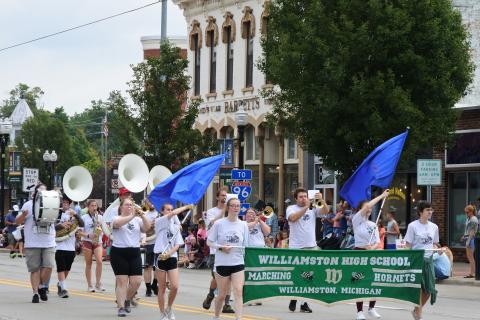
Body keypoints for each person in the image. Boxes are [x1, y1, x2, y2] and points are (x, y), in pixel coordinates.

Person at [286, 188, 328, 313]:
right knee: (297, 274)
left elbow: (326, 211)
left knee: (310, 276)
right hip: (296, 247)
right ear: (296, 198)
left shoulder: (312, 208)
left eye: (305, 196)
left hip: (311, 245)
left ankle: (304, 302)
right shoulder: (291, 208)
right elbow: (293, 218)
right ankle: (294, 297)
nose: (304, 198)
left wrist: (321, 199)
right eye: (301, 197)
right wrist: (306, 207)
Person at [207, 198, 249, 320]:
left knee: (238, 291)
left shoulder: (243, 224)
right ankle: (216, 316)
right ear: (228, 207)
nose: (236, 208)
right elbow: (209, 242)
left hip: (238, 262)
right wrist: (221, 248)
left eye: (238, 206)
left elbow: (246, 245)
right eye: (233, 205)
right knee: (222, 295)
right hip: (222, 263)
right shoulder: (219, 223)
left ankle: (238, 318)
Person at [352, 189, 389, 320]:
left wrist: (371, 247)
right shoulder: (356, 220)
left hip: (371, 253)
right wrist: (382, 196)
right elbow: (368, 205)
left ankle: (372, 308)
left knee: (374, 281)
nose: (369, 208)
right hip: (359, 252)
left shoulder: (373, 224)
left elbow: (377, 242)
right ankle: (359, 311)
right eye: (366, 207)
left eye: (369, 207)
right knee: (359, 281)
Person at [110, 197, 151, 317]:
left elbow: (147, 228)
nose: (129, 207)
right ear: (121, 207)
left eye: (131, 205)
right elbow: (118, 224)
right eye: (127, 205)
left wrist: (142, 215)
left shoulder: (137, 220)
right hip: (119, 252)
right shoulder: (116, 218)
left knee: (137, 281)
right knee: (122, 281)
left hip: (134, 252)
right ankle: (121, 307)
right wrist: (133, 215)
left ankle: (127, 299)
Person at [15, 183, 55, 303]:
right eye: (40, 191)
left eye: (44, 190)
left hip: (48, 241)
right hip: (32, 242)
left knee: (49, 266)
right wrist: (23, 215)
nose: (43, 192)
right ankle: (35, 293)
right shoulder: (28, 204)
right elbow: (18, 221)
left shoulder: (52, 203)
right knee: (34, 269)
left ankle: (41, 285)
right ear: (35, 193)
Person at [154, 203, 192, 320]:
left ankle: (169, 308)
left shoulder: (176, 226)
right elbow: (174, 214)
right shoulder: (159, 221)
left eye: (171, 209)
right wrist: (186, 207)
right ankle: (162, 313)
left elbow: (177, 244)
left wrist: (169, 254)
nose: (170, 211)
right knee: (162, 288)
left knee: (175, 286)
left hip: (171, 257)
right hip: (160, 255)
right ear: (162, 211)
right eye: (167, 210)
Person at [405, 201, 441, 320]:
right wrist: (407, 260)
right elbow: (408, 245)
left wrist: (439, 250)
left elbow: (435, 244)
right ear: (420, 212)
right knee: (419, 289)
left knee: (429, 289)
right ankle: (419, 314)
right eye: (427, 210)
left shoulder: (434, 227)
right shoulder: (412, 226)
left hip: (429, 260)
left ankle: (416, 309)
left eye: (431, 210)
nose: (430, 212)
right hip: (416, 260)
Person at [202, 187, 234, 314]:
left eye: (226, 196)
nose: (224, 197)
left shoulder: (231, 212)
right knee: (217, 278)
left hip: (229, 250)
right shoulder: (211, 212)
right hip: (216, 251)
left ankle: (226, 304)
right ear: (217, 197)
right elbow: (210, 226)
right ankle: (210, 295)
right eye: (222, 195)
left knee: (230, 278)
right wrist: (224, 210)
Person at [54, 195, 84, 298]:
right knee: (61, 268)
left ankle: (60, 284)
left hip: (71, 246)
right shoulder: (56, 213)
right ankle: (64, 289)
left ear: (70, 204)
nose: (65, 204)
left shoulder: (73, 214)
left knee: (67, 268)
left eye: (67, 203)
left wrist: (76, 215)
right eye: (63, 202)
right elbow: (51, 227)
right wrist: (61, 225)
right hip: (59, 245)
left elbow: (82, 224)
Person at [79, 199, 105, 292]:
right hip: (87, 241)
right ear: (88, 207)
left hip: (98, 241)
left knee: (99, 261)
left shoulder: (100, 217)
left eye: (95, 206)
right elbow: (79, 232)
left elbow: (105, 229)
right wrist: (89, 235)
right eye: (92, 206)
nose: (94, 207)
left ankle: (98, 283)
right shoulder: (84, 218)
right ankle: (90, 285)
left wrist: (100, 227)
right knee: (89, 263)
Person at [142, 198, 159, 297]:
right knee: (147, 267)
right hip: (148, 243)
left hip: (158, 243)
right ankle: (148, 288)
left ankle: (154, 284)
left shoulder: (160, 213)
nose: (151, 203)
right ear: (146, 203)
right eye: (149, 201)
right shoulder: (144, 214)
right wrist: (150, 225)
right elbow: (143, 230)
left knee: (157, 266)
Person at [462, 205, 478, 278]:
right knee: (470, 257)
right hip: (468, 238)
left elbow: (472, 232)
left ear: (471, 211)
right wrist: (464, 236)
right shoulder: (469, 218)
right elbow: (468, 230)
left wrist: (468, 241)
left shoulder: (473, 219)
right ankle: (472, 273)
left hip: (471, 239)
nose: (466, 214)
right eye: (465, 212)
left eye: (467, 212)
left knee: (471, 257)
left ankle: (472, 273)